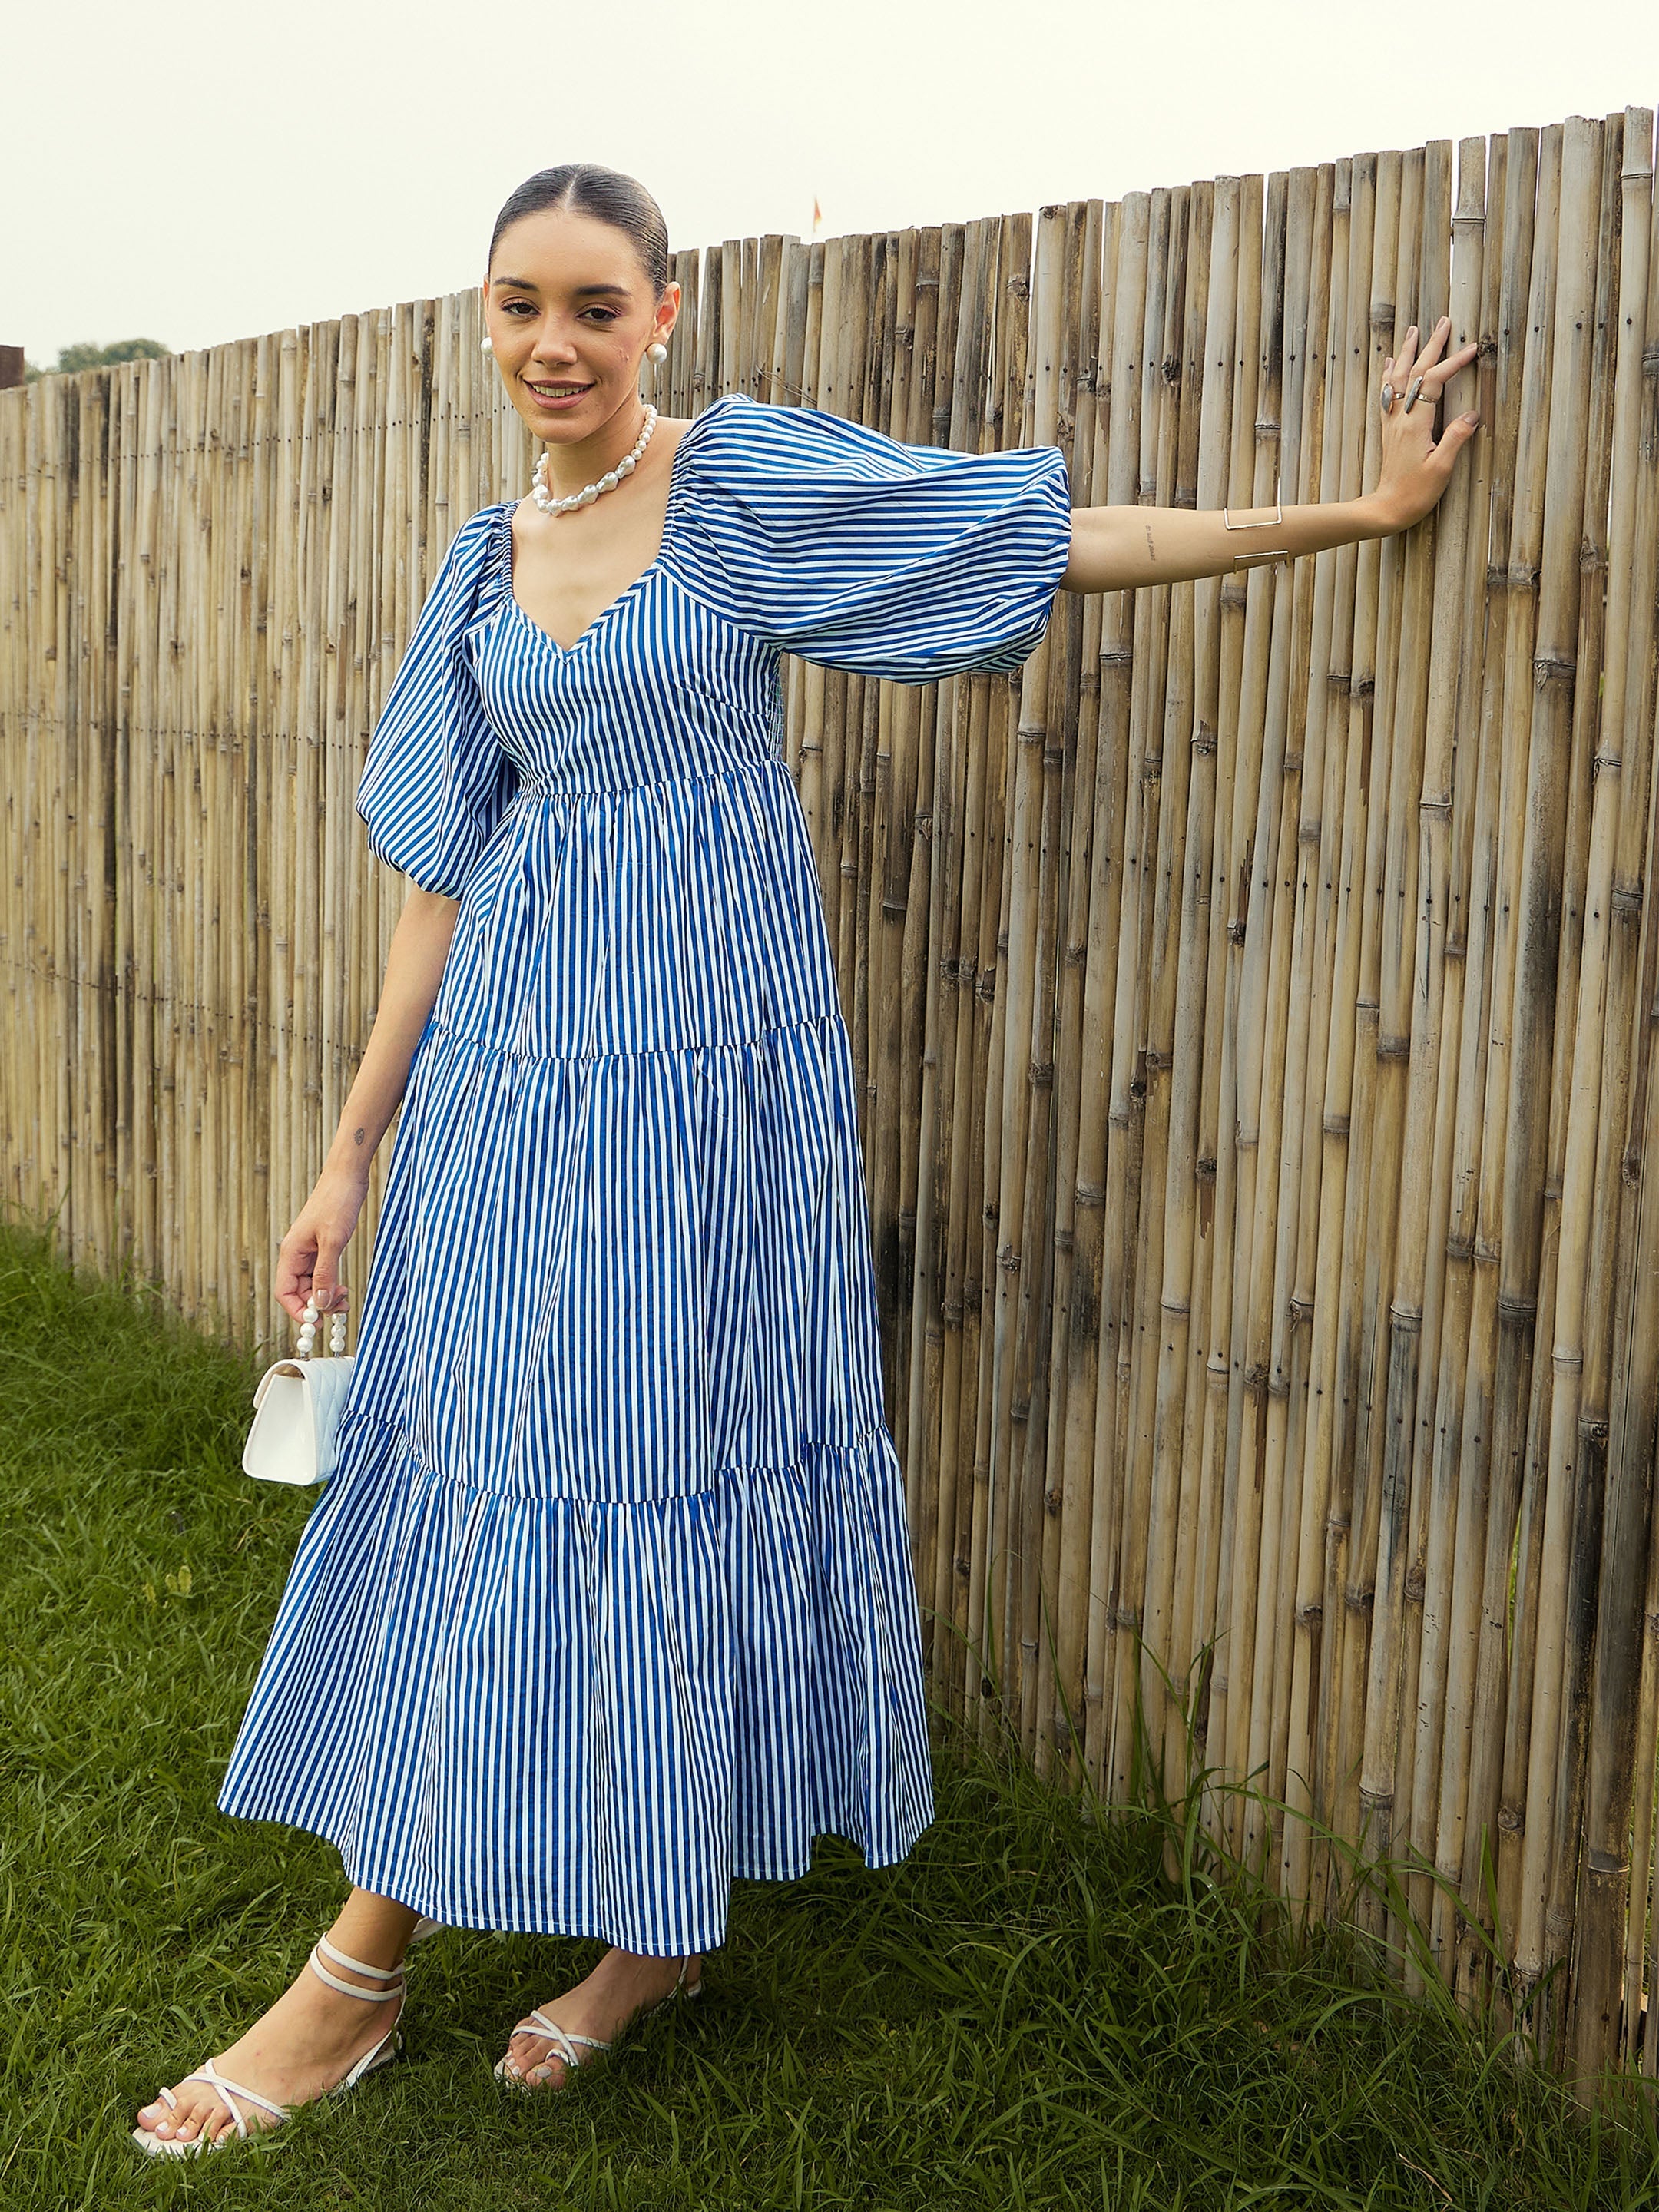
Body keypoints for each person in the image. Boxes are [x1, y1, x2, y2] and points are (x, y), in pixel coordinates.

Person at [132, 162, 1477, 2156]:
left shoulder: (746, 491)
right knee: (490, 1466)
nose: (555, 345)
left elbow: (1050, 534)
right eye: (520, 306)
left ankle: (499, 1951)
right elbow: (439, 883)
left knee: (649, 1464)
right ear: (483, 320)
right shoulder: (475, 568)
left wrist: (1355, 514)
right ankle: (420, 1952)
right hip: (509, 1092)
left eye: (597, 305)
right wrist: (348, 1156)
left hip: (708, 1100)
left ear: (666, 314)